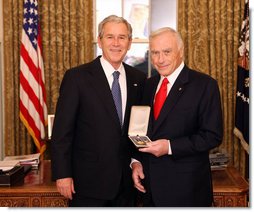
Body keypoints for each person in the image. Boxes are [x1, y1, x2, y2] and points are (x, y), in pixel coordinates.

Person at [50, 15, 146, 207]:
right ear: (99, 41)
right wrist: (63, 174)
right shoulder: (77, 78)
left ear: (129, 42)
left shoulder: (139, 78)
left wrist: (136, 160)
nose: (116, 43)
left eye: (122, 37)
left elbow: (139, 128)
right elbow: (62, 132)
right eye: (110, 37)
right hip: (87, 185)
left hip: (126, 185)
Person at [131, 27, 223, 207]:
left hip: (187, 191)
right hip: (149, 190)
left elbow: (212, 136)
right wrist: (136, 162)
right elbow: (140, 129)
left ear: (181, 51)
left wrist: (170, 147)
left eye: (166, 52)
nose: (160, 59)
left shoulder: (204, 85)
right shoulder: (148, 85)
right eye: (155, 53)